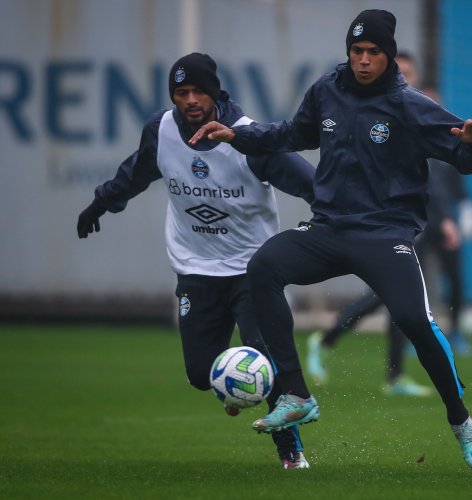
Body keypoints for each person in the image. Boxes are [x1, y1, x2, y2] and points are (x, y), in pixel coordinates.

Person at [189, 10, 472, 470]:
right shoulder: (326, 90)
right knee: (264, 267)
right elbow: (292, 134)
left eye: (373, 52)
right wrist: (239, 134)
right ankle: (295, 393)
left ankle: (460, 419)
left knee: (413, 319)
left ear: (388, 55)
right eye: (357, 51)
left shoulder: (410, 105)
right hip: (329, 228)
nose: (364, 60)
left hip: (385, 233)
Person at [76, 53, 316, 469]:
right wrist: (100, 204)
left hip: (252, 269)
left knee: (264, 357)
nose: (190, 100)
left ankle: (291, 453)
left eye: (198, 92)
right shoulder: (162, 130)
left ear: (215, 94)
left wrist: (336, 217)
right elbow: (136, 173)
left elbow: (308, 182)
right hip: (195, 269)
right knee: (199, 373)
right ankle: (237, 388)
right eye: (181, 92)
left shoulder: (247, 138)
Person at [305, 52, 472, 395]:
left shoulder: (415, 114)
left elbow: (440, 175)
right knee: (387, 297)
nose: (407, 79)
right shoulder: (380, 116)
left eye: (411, 73)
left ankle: (395, 374)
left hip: (422, 221)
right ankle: (326, 340)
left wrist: (455, 211)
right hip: (390, 223)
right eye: (404, 72)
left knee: (409, 297)